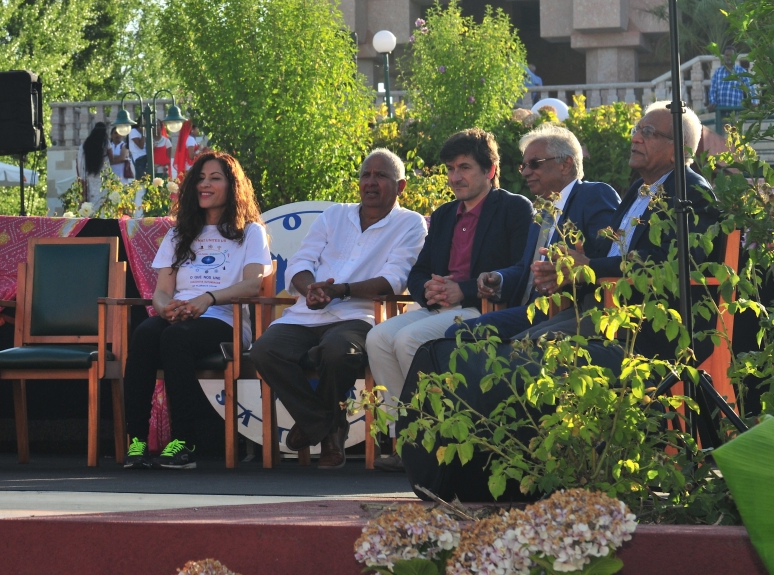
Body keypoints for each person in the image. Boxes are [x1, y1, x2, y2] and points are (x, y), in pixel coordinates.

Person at [247, 149, 426, 469]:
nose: (370, 182)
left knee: (337, 352)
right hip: (306, 313)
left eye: (381, 176)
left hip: (360, 315)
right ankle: (327, 425)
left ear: (400, 186)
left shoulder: (410, 223)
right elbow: (301, 263)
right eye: (365, 175)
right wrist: (311, 289)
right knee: (264, 350)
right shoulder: (334, 215)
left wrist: (340, 290)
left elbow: (394, 280)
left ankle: (319, 428)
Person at [363, 128, 530, 468]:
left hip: (486, 310)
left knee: (409, 340)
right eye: (451, 169)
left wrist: (463, 289)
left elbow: (519, 270)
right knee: (378, 337)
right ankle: (406, 438)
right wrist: (428, 288)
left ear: (490, 170)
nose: (455, 177)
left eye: (464, 168)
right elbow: (419, 271)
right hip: (440, 308)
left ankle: (439, 440)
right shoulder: (443, 215)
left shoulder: (513, 208)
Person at [524, 102, 720, 355]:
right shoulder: (639, 190)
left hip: (646, 324)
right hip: (603, 311)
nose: (636, 138)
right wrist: (569, 269)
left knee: (527, 353)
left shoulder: (690, 191)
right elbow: (608, 254)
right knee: (513, 346)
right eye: (637, 129)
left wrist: (590, 267)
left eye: (648, 132)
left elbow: (671, 263)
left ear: (678, 150)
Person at [121, 151, 271, 470]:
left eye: (215, 178)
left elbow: (253, 284)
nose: (205, 184)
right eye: (200, 178)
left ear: (233, 186)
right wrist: (166, 309)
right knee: (145, 334)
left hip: (224, 320)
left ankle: (183, 442)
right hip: (181, 316)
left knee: (176, 338)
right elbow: (162, 292)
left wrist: (208, 299)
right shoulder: (179, 233)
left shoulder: (250, 232)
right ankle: (136, 441)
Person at [445, 125, 619, 341]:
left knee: (460, 335)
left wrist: (571, 270)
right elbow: (525, 269)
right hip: (529, 310)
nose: (526, 172)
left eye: (535, 164)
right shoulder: (543, 212)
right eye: (524, 165)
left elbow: (609, 258)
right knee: (458, 334)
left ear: (565, 164)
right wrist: (498, 278)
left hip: (566, 311)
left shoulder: (593, 195)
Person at [707, 51, 755, 134]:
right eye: (726, 55)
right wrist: (712, 102)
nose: (728, 57)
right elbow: (713, 89)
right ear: (723, 56)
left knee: (737, 137)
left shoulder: (741, 71)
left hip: (736, 111)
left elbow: (750, 86)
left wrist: (754, 101)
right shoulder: (718, 72)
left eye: (731, 55)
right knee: (720, 137)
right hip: (721, 112)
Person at [76, 122, 107, 206]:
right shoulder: (106, 146)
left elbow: (80, 167)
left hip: (90, 181)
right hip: (103, 182)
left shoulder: (84, 146)